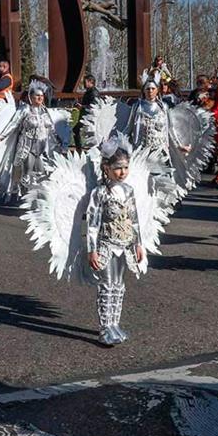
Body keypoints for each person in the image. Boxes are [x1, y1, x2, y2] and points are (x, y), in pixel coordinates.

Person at [86, 136, 146, 346]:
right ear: (106, 168)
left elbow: (134, 219)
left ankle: (115, 324)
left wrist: (138, 244)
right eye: (118, 168)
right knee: (107, 285)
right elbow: (92, 223)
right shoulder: (100, 192)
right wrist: (92, 249)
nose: (123, 173)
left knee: (119, 286)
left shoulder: (128, 191)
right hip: (106, 245)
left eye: (126, 167)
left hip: (125, 244)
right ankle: (105, 327)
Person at [0, 79, 63, 204]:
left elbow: (51, 127)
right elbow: (13, 124)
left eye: (41, 96)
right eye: (37, 96)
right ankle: (25, 197)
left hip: (42, 146)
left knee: (42, 171)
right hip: (26, 145)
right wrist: (1, 136)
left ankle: (38, 197)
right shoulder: (25, 110)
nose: (40, 98)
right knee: (26, 171)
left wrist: (58, 140)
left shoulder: (44, 111)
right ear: (31, 97)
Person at [74, 74, 99, 149]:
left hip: (89, 117)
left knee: (78, 130)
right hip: (85, 116)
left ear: (90, 82)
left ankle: (81, 149)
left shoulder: (93, 92)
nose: (84, 84)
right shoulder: (89, 91)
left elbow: (95, 106)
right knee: (78, 130)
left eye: (85, 82)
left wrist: (82, 106)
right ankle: (80, 148)